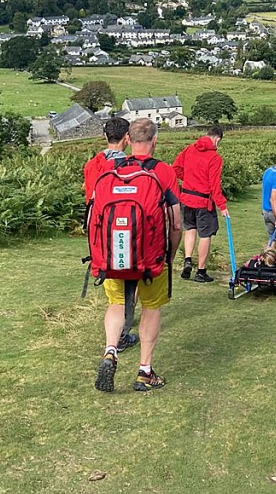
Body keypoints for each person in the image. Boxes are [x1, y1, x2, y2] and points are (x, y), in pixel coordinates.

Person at [95, 118, 183, 393]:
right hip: (150, 258)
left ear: (128, 141)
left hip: (114, 257)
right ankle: (144, 371)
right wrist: (170, 254)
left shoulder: (112, 170)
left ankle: (111, 350)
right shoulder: (163, 172)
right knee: (150, 308)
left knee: (116, 303)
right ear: (155, 141)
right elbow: (176, 222)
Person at [83, 117, 139, 352]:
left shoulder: (92, 165)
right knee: (130, 283)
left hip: (99, 232)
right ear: (127, 138)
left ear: (106, 137)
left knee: (112, 283)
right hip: (127, 229)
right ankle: (123, 331)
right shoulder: (134, 167)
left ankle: (118, 328)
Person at [172, 125, 230, 283]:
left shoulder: (189, 149)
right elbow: (214, 186)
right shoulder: (214, 158)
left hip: (186, 198)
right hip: (203, 201)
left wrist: (189, 179)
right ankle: (201, 271)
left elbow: (175, 168)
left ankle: (188, 260)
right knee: (205, 235)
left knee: (190, 229)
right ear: (217, 139)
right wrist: (222, 206)